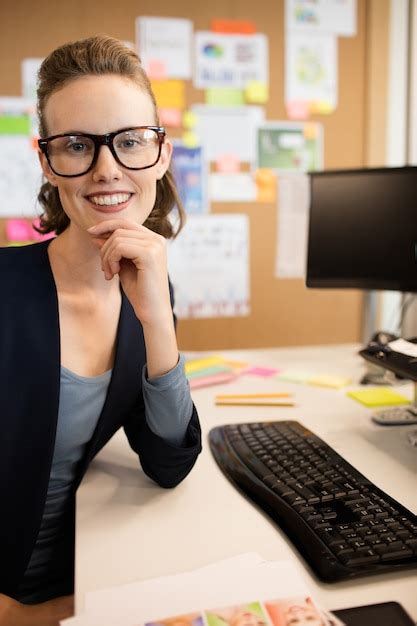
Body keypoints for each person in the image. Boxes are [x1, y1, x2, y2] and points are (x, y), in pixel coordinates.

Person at [0, 34, 202, 625]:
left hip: (87, 574)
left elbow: (168, 461)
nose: (106, 169)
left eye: (131, 141)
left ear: (161, 154)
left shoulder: (148, 291)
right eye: (76, 145)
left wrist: (157, 320)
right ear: (47, 161)